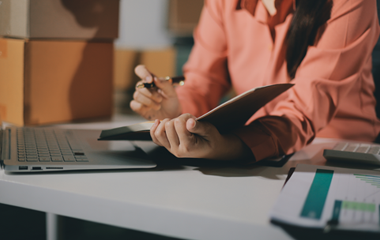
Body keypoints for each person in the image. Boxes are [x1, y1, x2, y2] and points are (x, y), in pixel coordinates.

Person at [130, 0, 380, 162]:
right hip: (257, 148)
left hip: (336, 153)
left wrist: (227, 147)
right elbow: (202, 82)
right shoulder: (222, 4)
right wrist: (176, 108)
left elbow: (302, 112)